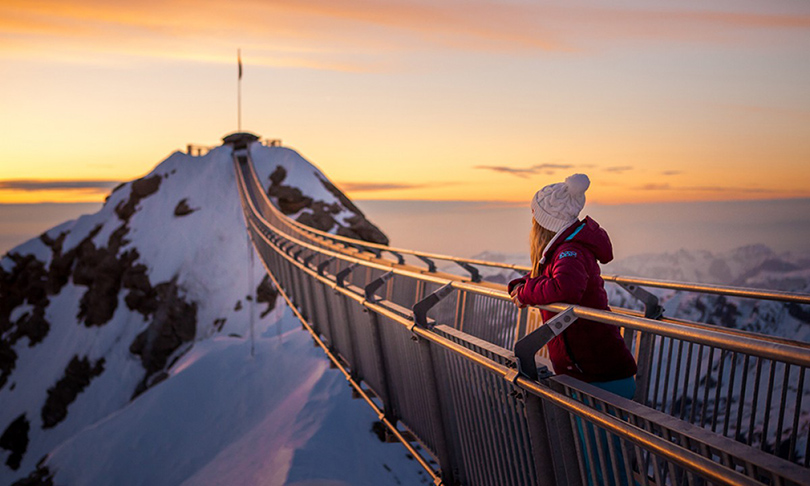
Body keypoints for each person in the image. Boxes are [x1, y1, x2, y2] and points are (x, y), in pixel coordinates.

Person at [508, 173, 637, 486]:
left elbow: (565, 287)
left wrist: (526, 292)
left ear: (545, 222)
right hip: (592, 373)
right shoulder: (563, 248)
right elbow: (550, 279)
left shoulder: (570, 250)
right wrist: (522, 285)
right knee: (598, 464)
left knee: (606, 469)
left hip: (600, 375)